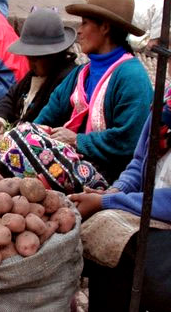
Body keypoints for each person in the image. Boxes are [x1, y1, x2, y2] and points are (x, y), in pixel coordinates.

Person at [34, 0, 153, 182]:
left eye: (85, 23)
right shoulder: (82, 73)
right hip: (74, 164)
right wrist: (28, 133)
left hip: (114, 175)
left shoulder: (132, 77)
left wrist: (78, 141)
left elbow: (129, 140)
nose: (78, 31)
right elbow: (50, 112)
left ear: (105, 27)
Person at [69, 112, 171, 311]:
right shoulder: (165, 106)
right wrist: (115, 191)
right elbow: (139, 163)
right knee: (103, 236)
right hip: (142, 208)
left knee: (127, 251)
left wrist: (108, 201)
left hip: (161, 222)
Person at [0, 8, 77, 136]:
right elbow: (11, 97)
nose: (30, 64)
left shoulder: (66, 80)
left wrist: (11, 138)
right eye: (28, 58)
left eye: (35, 59)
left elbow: (43, 125)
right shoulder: (35, 74)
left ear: (53, 55)